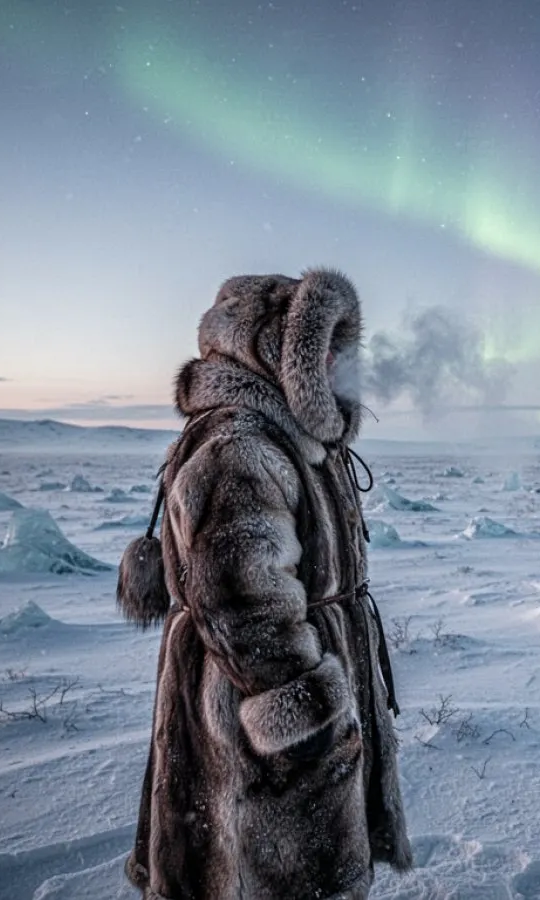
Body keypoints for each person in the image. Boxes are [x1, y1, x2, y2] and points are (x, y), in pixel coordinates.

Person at [116, 269, 412, 899]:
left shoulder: (295, 443)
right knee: (258, 874)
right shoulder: (241, 447)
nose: (336, 362)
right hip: (257, 742)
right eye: (319, 348)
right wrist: (311, 727)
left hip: (282, 719)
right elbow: (243, 607)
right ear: (277, 351)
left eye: (339, 346)